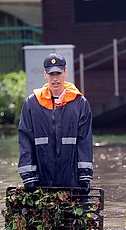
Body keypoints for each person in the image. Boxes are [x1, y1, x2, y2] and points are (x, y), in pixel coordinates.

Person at [17, 53, 93, 194]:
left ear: (65, 73)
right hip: (40, 179)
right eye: (51, 74)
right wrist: (28, 176)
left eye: (58, 73)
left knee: (73, 215)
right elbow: (25, 139)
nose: (55, 79)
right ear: (45, 74)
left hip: (72, 179)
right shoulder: (32, 104)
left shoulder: (80, 103)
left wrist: (85, 176)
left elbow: (84, 140)